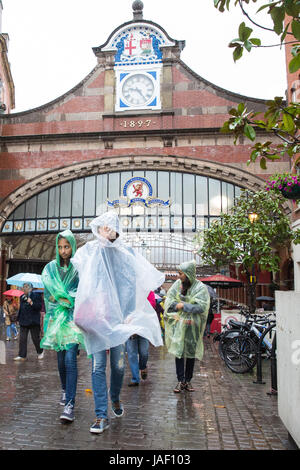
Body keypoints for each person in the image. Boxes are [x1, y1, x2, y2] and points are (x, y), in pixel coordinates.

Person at [72, 211, 164, 434]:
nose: (106, 230)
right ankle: (100, 415)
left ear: (116, 229)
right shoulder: (90, 251)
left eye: (110, 226)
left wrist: (132, 312)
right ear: (98, 229)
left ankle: (114, 398)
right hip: (97, 318)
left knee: (118, 366)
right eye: (103, 226)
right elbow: (82, 280)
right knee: (98, 366)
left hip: (118, 319)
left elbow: (133, 283)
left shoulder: (125, 252)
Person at [41, 230, 85, 424]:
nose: (63, 250)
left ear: (73, 246)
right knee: (60, 361)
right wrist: (56, 298)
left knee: (70, 359)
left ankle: (70, 404)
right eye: (60, 247)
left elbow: (84, 290)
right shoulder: (51, 268)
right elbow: (48, 293)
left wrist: (69, 299)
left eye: (66, 246)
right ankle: (65, 389)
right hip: (56, 320)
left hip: (73, 320)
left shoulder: (79, 268)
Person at [164, 260, 210, 393]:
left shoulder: (200, 288)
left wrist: (184, 306)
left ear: (188, 274)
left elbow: (202, 307)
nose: (179, 276)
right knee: (179, 352)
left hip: (193, 327)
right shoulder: (177, 285)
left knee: (190, 354)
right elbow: (170, 301)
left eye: (181, 273)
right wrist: (176, 307)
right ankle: (180, 380)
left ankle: (188, 380)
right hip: (179, 326)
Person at [126, 291, 155, 386]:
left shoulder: (148, 290)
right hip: (130, 327)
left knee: (144, 352)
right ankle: (135, 378)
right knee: (132, 354)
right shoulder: (128, 289)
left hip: (143, 327)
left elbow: (152, 305)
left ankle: (142, 366)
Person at [14, 283, 44, 362]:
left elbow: (39, 307)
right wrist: (18, 318)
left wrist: (31, 302)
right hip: (23, 320)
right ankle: (22, 355)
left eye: (26, 287)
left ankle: (40, 351)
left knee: (35, 338)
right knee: (22, 339)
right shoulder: (22, 296)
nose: (24, 288)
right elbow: (21, 308)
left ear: (31, 288)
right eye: (23, 287)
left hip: (33, 321)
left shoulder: (36, 296)